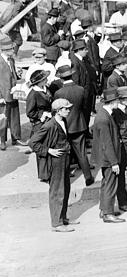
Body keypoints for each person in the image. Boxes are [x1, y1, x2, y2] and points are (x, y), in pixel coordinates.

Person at [30, 97, 75, 231]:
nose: (68, 110)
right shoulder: (50, 125)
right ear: (58, 111)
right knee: (57, 191)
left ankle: (63, 217)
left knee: (65, 189)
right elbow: (32, 142)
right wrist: (48, 150)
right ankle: (57, 223)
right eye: (66, 109)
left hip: (64, 159)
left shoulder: (63, 121)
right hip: (56, 162)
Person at [93, 87, 125, 223]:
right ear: (113, 101)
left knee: (106, 183)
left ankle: (104, 209)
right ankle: (108, 213)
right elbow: (107, 143)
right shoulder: (103, 118)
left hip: (105, 157)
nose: (119, 102)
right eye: (118, 100)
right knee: (110, 185)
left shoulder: (104, 114)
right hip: (108, 158)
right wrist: (114, 162)